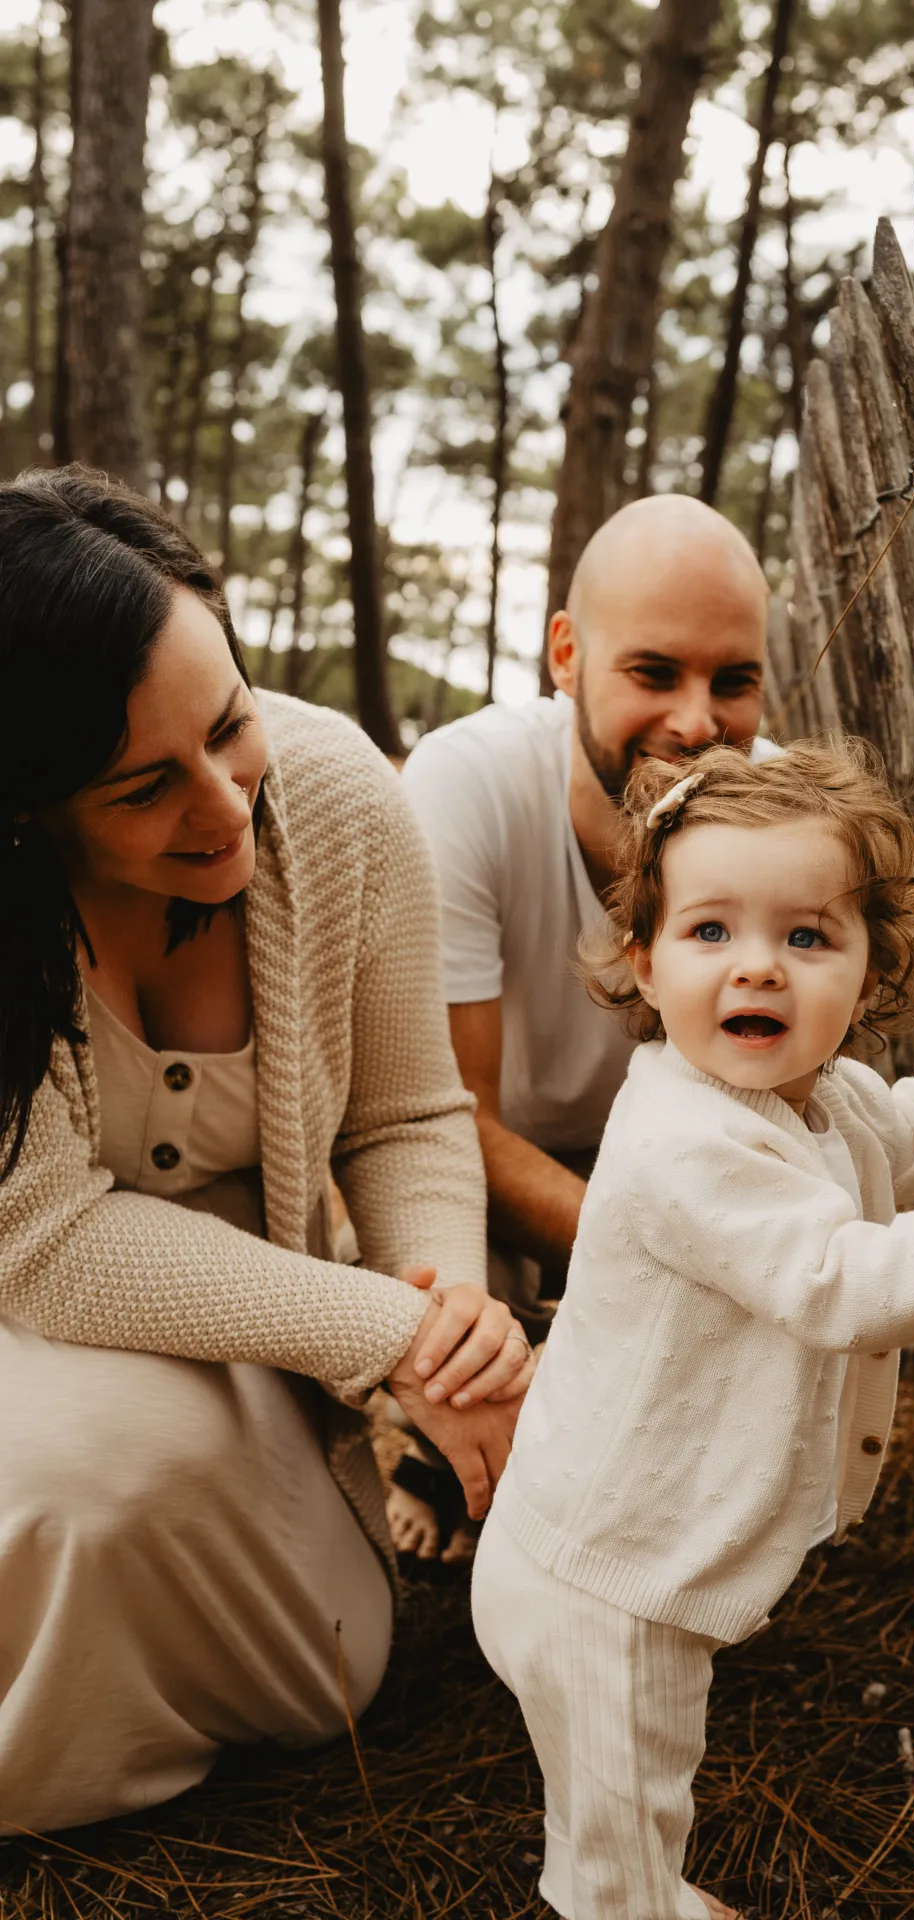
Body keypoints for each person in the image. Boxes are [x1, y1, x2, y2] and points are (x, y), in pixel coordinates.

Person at [469, 741, 914, 1920]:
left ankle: (639, 1891)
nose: (757, 971)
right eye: (710, 932)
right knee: (619, 1824)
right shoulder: (684, 1141)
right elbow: (843, 1281)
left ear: (869, 968)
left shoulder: (815, 1094)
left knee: (629, 1796)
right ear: (643, 959)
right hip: (604, 1577)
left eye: (806, 937)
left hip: (630, 1550)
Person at [0, 467, 530, 1835]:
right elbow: (43, 1242)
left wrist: (445, 1328)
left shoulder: (340, 800)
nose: (225, 807)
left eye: (228, 724)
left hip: (288, 1338)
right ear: (30, 809)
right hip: (25, 1313)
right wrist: (386, 1338)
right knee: (90, 1482)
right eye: (139, 790)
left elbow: (407, 1116)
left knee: (335, 1659)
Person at [396, 494, 775, 1556]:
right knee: (452, 1234)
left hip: (671, 1162)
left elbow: (778, 1100)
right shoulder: (464, 786)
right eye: (653, 674)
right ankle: (451, 1461)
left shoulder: (778, 819)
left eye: (732, 680)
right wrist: (651, 1241)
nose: (698, 723)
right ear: (565, 654)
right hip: (484, 1167)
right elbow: (445, 1120)